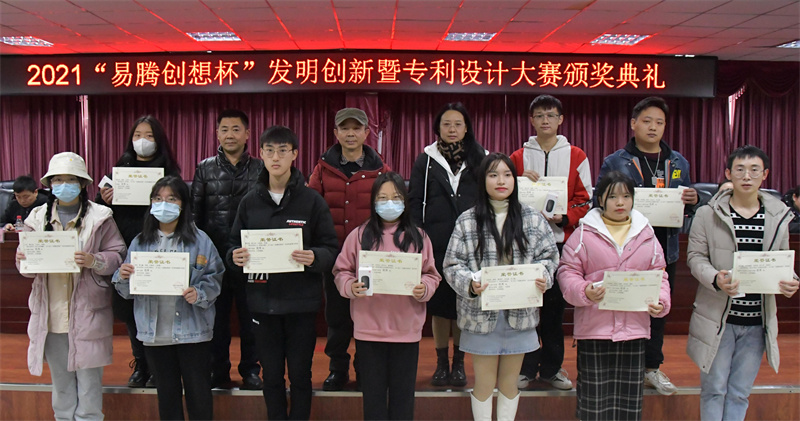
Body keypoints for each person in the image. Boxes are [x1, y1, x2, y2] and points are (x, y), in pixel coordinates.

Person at [229, 126, 338, 420]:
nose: (275, 157)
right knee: (272, 376)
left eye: (282, 150)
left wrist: (315, 256)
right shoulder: (249, 202)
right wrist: (234, 256)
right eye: (269, 151)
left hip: (301, 304)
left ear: (294, 154)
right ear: (261, 154)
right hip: (262, 305)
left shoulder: (312, 201)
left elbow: (331, 248)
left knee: (301, 375)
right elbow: (232, 245)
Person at [687, 145, 799, 421]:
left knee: (739, 392)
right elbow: (695, 257)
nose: (747, 176)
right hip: (718, 319)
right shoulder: (707, 214)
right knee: (714, 390)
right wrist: (715, 278)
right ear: (728, 173)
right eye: (740, 169)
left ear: (765, 174)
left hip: (757, 321)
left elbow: (782, 260)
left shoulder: (778, 216)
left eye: (754, 170)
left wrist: (791, 280)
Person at [444, 153, 559, 421]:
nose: (501, 181)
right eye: (493, 175)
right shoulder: (467, 220)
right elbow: (452, 264)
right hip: (481, 314)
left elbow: (549, 257)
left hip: (519, 315)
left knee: (510, 384)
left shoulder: (532, 218)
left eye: (507, 175)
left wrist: (543, 276)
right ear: (482, 180)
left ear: (515, 180)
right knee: (484, 384)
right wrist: (470, 283)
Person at [597, 96, 698, 395]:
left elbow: (686, 206)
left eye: (659, 122)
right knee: (622, 308)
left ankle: (651, 368)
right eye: (647, 121)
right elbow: (598, 203)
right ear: (633, 124)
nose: (653, 127)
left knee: (657, 309)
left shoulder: (678, 162)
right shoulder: (615, 161)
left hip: (664, 250)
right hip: (624, 250)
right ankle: (619, 368)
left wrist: (693, 200)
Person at [15, 152, 127, 420]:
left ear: (82, 183)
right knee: (61, 384)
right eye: (58, 180)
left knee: (89, 384)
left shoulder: (101, 216)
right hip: (51, 314)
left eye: (70, 179)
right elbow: (27, 269)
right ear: (50, 184)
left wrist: (93, 260)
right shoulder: (35, 218)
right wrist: (23, 260)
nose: (64, 185)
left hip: (88, 312)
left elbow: (118, 255)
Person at [558, 171, 671, 420]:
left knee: (628, 405)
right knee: (593, 404)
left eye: (626, 196)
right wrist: (584, 291)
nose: (620, 202)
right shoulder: (583, 234)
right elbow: (567, 272)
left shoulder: (647, 235)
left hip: (634, 331)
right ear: (600, 200)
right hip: (594, 331)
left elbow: (660, 275)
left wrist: (661, 301)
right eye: (612, 197)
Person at [332, 172, 441, 420]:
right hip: (369, 331)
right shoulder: (359, 235)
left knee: (403, 399)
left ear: (405, 201)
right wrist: (350, 286)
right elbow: (341, 271)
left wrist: (424, 288)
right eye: (382, 198)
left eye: (395, 197)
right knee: (373, 399)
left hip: (406, 331)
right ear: (373, 201)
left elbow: (431, 275)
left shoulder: (419, 237)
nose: (389, 203)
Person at [113, 176, 223, 420]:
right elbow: (126, 290)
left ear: (183, 204)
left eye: (171, 198)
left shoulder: (200, 240)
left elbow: (215, 278)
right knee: (167, 395)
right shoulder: (140, 242)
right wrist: (122, 276)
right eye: (158, 198)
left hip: (193, 331)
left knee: (199, 395)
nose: (164, 204)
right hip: (155, 333)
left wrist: (199, 293)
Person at [510, 94, 592, 391]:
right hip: (524, 245)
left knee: (555, 312)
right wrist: (519, 180)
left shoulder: (577, 156)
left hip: (561, 244)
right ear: (531, 120)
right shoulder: (518, 157)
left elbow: (586, 200)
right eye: (540, 115)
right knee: (526, 309)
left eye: (551, 115)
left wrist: (566, 217)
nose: (545, 120)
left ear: (561, 120)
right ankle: (525, 368)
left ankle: (552, 369)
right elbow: (502, 192)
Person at [308, 107, 390, 391]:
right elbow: (312, 209)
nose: (351, 133)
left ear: (367, 133)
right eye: (345, 128)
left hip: (371, 257)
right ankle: (338, 369)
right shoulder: (322, 169)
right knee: (337, 317)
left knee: (368, 317)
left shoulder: (381, 170)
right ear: (336, 133)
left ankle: (366, 369)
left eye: (357, 128)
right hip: (335, 258)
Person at [96, 114, 181, 388]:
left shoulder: (170, 173)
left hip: (158, 250)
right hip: (125, 250)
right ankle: (140, 363)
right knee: (132, 310)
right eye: (137, 135)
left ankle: (159, 367)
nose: (142, 141)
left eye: (149, 136)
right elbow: (100, 213)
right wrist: (104, 199)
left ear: (159, 140)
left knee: (158, 309)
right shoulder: (118, 171)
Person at [409, 102, 487, 388]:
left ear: (466, 128)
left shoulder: (482, 158)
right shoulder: (426, 159)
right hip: (437, 243)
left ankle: (459, 363)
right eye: (446, 124)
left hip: (472, 244)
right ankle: (442, 363)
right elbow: (414, 200)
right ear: (437, 128)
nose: (452, 129)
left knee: (465, 304)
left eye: (457, 124)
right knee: (441, 308)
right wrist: (418, 237)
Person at [192, 109, 263, 390]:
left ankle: (251, 370)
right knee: (216, 319)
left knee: (251, 319)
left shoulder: (261, 169)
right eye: (224, 129)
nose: (230, 135)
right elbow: (195, 216)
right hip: (215, 258)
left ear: (247, 134)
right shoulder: (204, 168)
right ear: (217, 134)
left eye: (236, 129)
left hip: (252, 258)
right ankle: (217, 370)